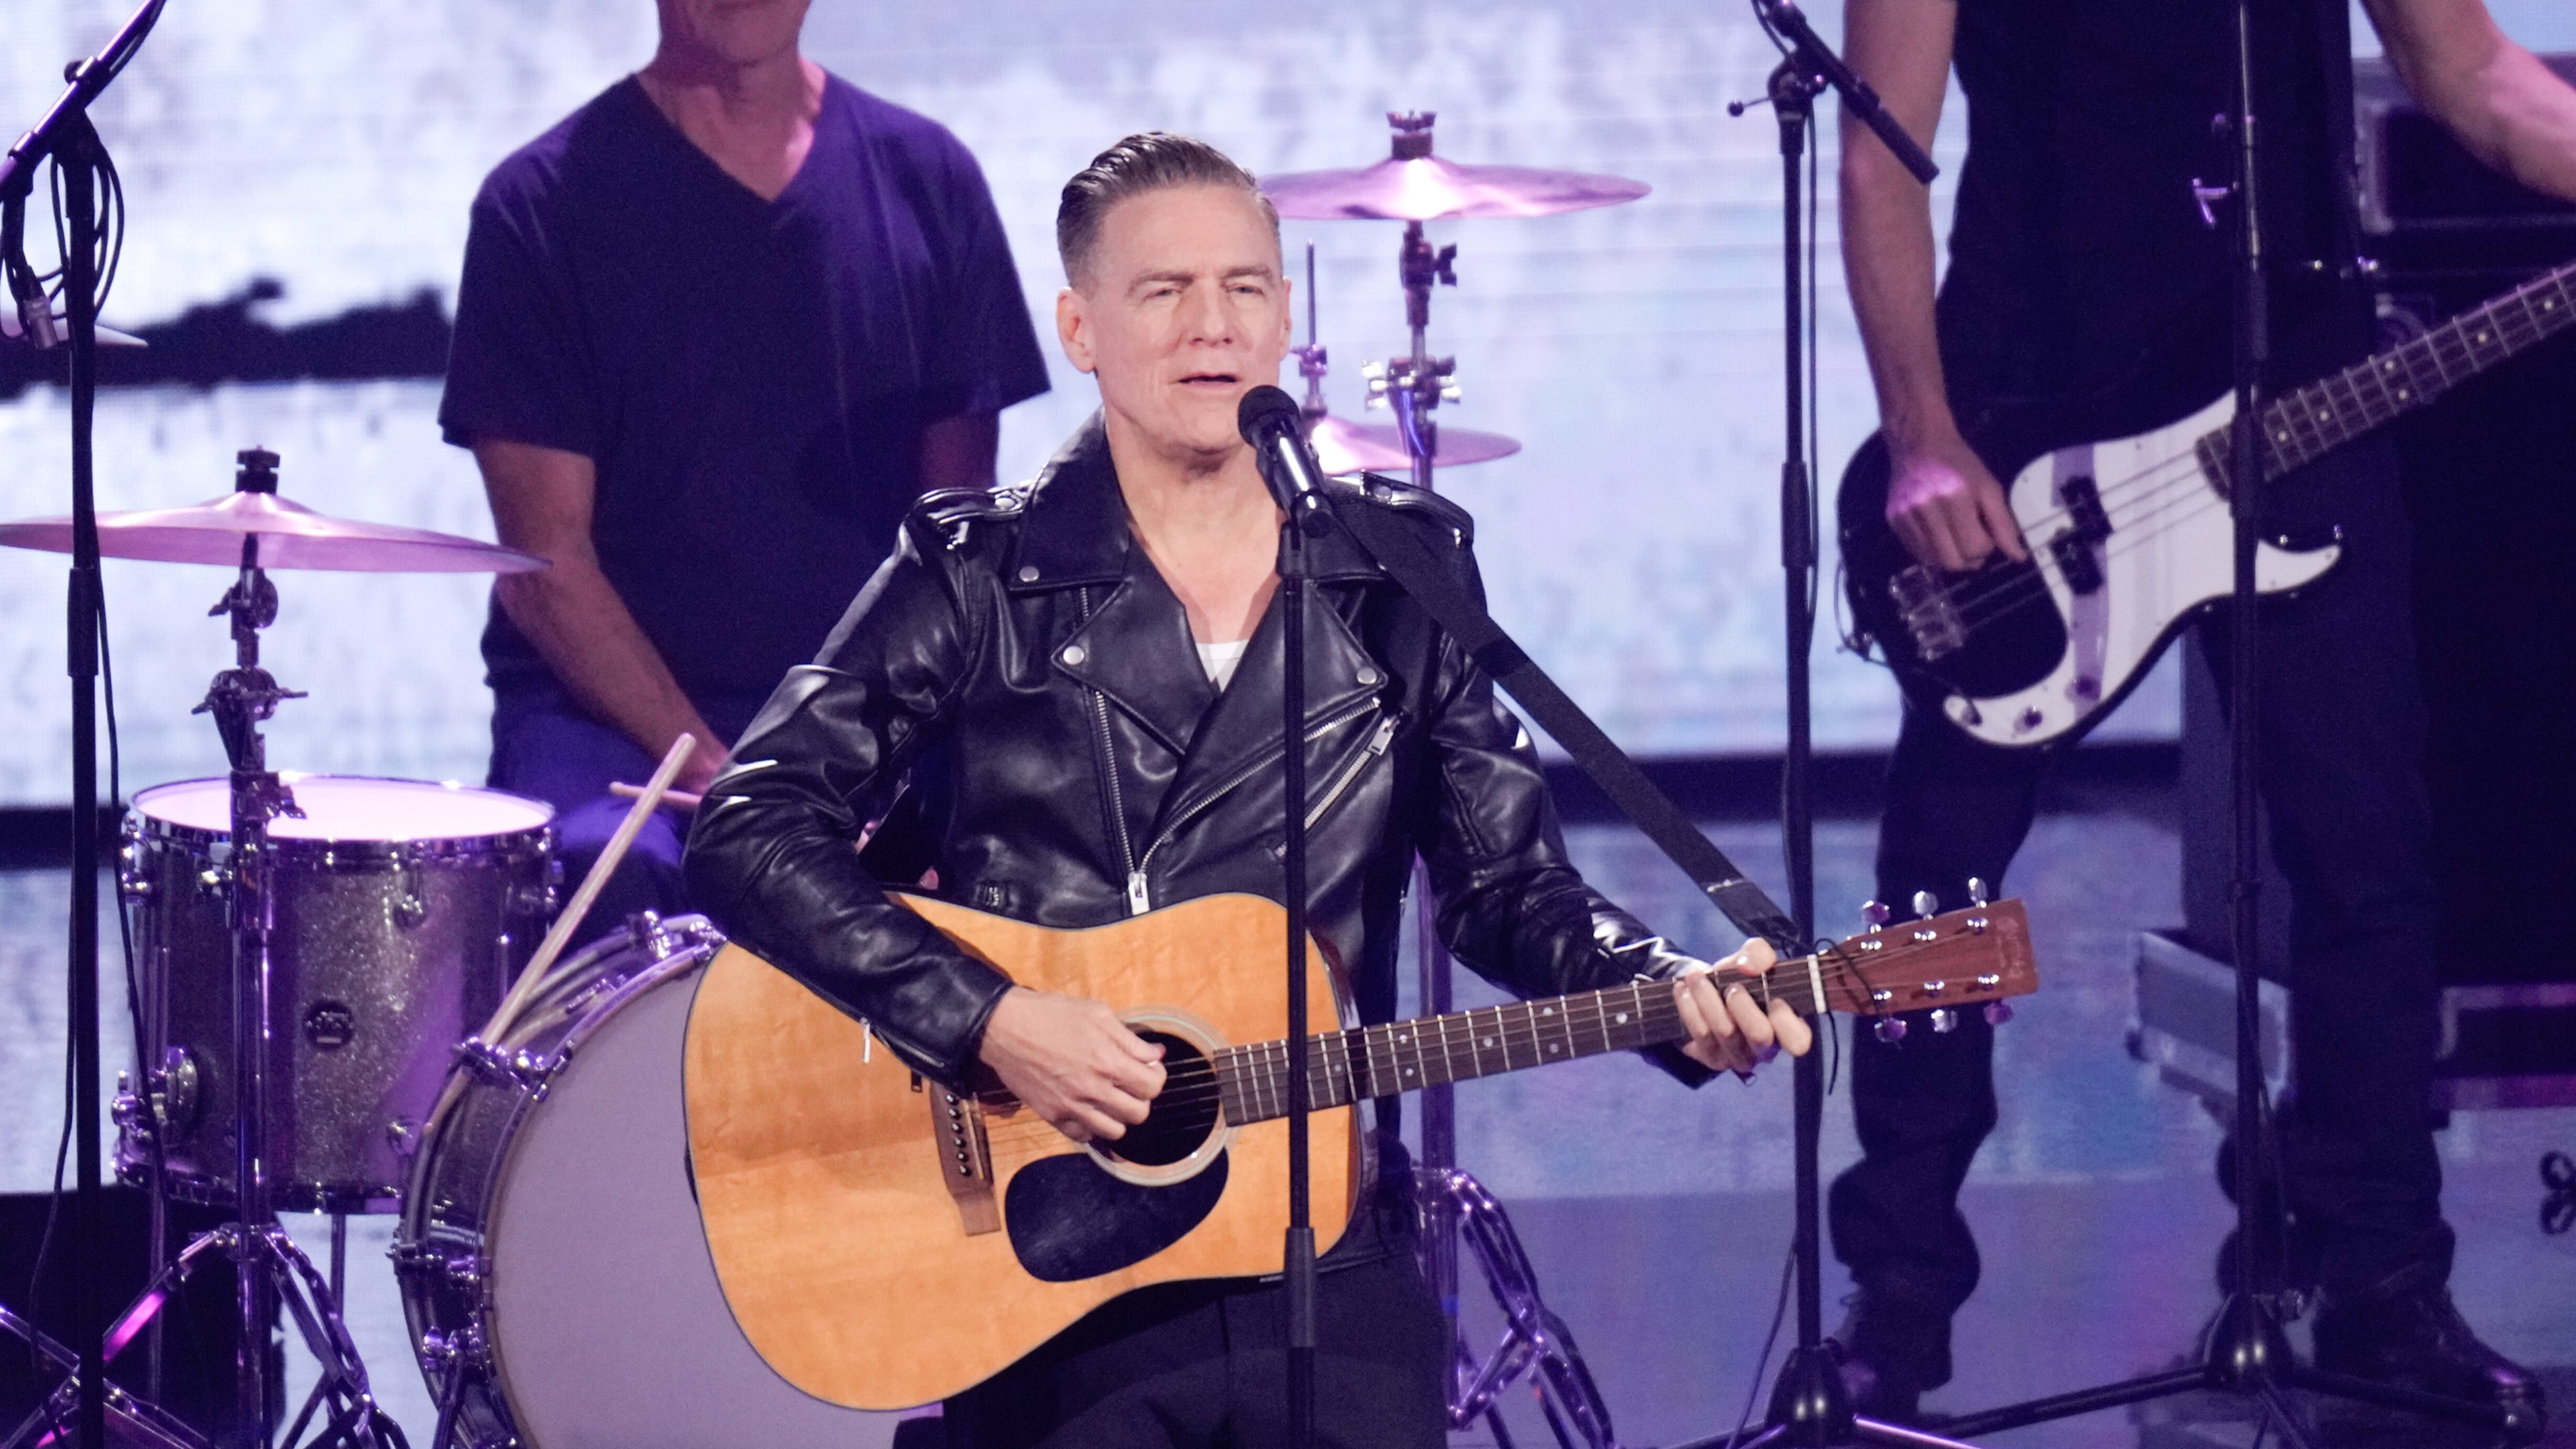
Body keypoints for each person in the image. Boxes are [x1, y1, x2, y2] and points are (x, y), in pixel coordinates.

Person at [684, 132, 1816, 1449]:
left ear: (1286, 316)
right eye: (1163, 292)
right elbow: (749, 828)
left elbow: (1509, 890)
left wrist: (1663, 992)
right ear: (1081, 327)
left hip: (1323, 1235)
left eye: (1245, 289)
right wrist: (990, 1021)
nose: (1211, 327)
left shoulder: (1402, 567)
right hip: (1052, 1256)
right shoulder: (975, 572)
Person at [1831, 0, 2576, 1424]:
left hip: (2298, 380)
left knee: (2372, 866)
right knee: (1941, 879)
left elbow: (2473, 76)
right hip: (2028, 397)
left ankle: (2374, 1283)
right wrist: (1923, 434)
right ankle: (1900, 1297)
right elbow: (1881, 156)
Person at [439, 0, 1050, 939]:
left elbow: (954, 548)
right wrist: (726, 785)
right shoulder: (540, 206)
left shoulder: (930, 181)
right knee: (615, 870)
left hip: (858, 724)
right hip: (612, 732)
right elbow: (548, 570)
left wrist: (871, 766)